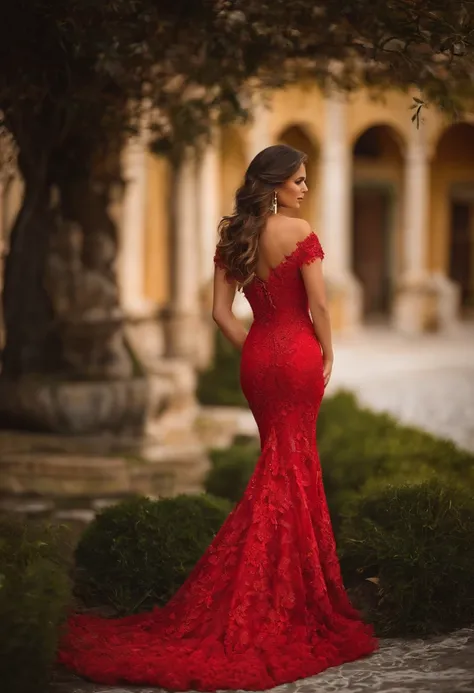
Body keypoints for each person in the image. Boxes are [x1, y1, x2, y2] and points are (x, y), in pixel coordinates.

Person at [58, 144, 378, 691]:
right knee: (293, 466)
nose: (305, 189)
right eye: (299, 180)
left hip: (258, 361)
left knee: (278, 465)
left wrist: (255, 347)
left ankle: (282, 587)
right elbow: (321, 305)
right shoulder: (299, 232)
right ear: (275, 184)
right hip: (298, 357)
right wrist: (327, 352)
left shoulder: (235, 237)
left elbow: (217, 313)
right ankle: (287, 594)